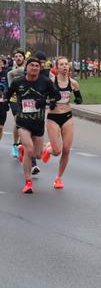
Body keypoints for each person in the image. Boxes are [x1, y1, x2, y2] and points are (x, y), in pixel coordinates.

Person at [5, 57, 60, 194]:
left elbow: (57, 95)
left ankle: (29, 150)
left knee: (38, 155)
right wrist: (6, 103)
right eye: (32, 65)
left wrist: (49, 102)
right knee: (30, 151)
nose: (35, 68)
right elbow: (8, 94)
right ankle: (28, 182)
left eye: (37, 66)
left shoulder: (45, 82)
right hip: (23, 121)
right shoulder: (18, 82)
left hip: (38, 123)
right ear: (27, 68)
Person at [40, 57, 82, 190]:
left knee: (66, 149)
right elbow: (42, 99)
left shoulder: (73, 83)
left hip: (67, 116)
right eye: (61, 64)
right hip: (53, 117)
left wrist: (79, 99)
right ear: (56, 68)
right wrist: (49, 102)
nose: (64, 66)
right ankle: (48, 149)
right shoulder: (50, 82)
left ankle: (58, 178)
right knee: (57, 151)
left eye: (66, 64)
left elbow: (78, 96)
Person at [7, 49, 26, 158]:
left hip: (26, 99)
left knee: (24, 121)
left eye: (20, 56)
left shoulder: (28, 68)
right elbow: (10, 83)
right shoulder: (12, 70)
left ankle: (22, 143)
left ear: (23, 58)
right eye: (16, 56)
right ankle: (15, 145)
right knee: (18, 119)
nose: (18, 58)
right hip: (14, 99)